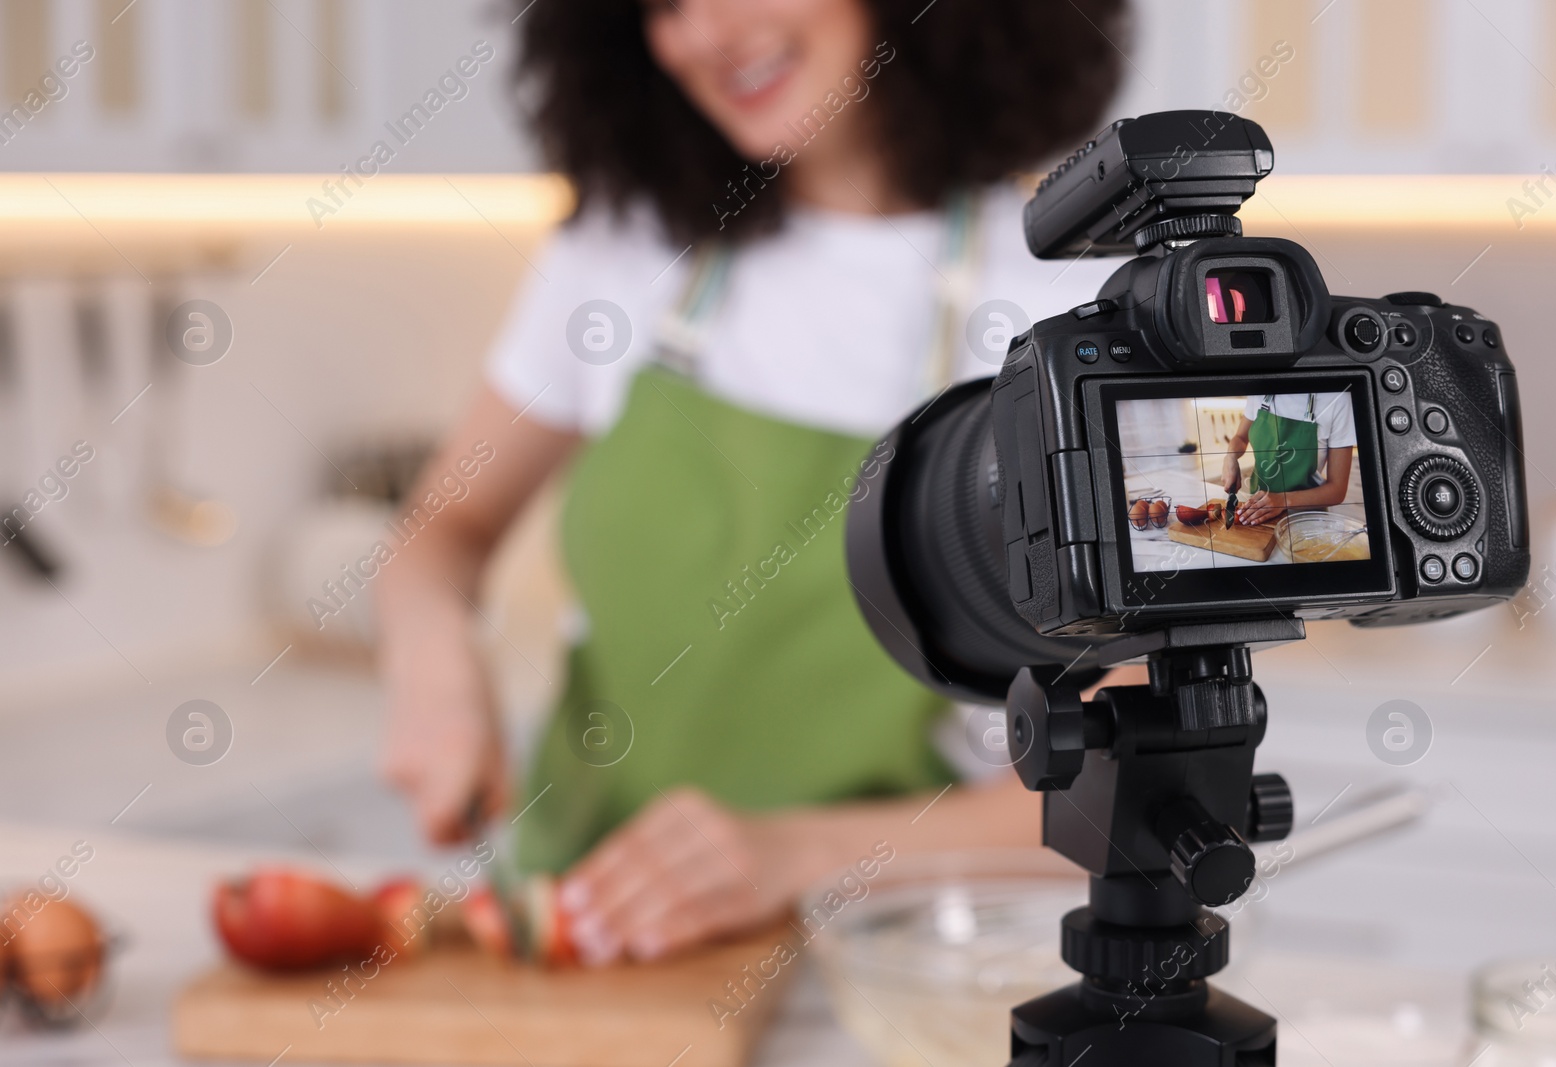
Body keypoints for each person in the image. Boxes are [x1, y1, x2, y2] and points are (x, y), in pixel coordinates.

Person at [376, 0, 1138, 967]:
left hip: (878, 978)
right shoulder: (623, 250)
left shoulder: (1063, 302)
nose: (704, 31)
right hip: (579, 948)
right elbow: (446, 524)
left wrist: (791, 854)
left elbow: (1119, 789)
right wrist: (432, 651)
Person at [1220, 392, 1358, 526]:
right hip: (1257, 513)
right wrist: (1231, 456)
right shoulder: (1260, 389)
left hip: (1305, 521)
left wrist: (1283, 500)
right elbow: (1241, 438)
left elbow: (1337, 490)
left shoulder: (1338, 399)